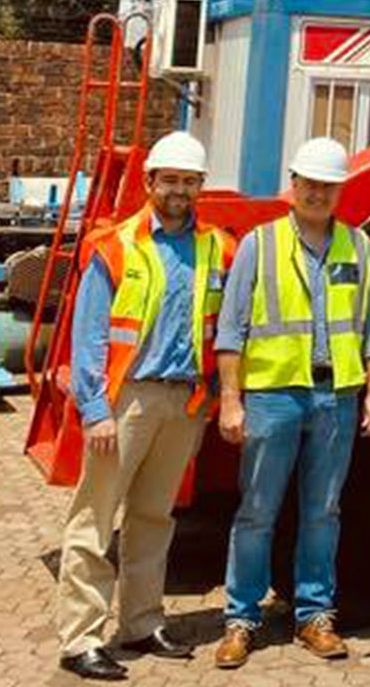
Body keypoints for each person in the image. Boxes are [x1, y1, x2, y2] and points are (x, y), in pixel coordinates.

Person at [55, 131, 234, 682]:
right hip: (124, 398)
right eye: (170, 180)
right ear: (149, 182)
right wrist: (94, 409)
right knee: (95, 519)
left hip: (183, 401)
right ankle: (80, 637)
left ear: (201, 186)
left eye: (189, 181)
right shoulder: (114, 246)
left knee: (154, 517)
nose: (179, 190)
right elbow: (88, 337)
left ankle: (140, 621)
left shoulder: (218, 248)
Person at [209, 137, 370, 670]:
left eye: (327, 185)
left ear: (339, 191)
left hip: (337, 396)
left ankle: (315, 615)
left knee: (323, 513)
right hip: (273, 396)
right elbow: (231, 329)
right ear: (293, 184)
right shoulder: (259, 246)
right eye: (309, 183)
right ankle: (241, 620)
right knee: (256, 512)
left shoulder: (357, 247)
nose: (317, 193)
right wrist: (230, 399)